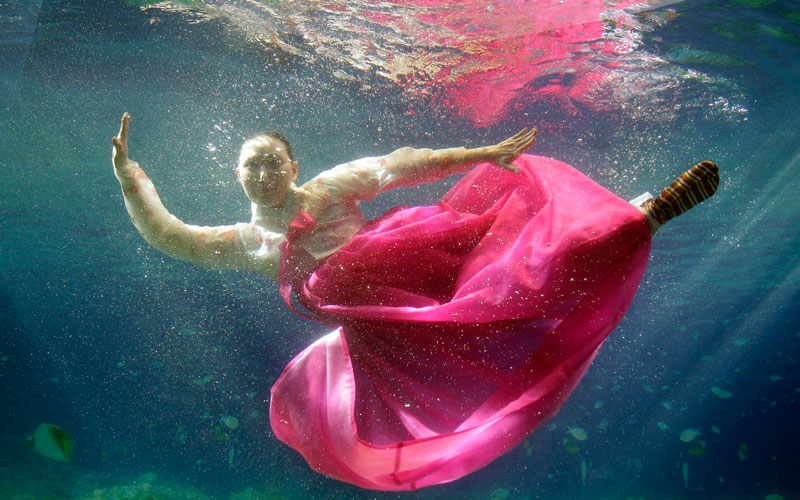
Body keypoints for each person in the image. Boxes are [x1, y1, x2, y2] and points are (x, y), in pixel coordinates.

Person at [112, 113, 718, 491]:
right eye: (251, 163)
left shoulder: (324, 189)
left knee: (514, 272)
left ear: (293, 165)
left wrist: (478, 156)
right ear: (236, 177)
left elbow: (399, 168)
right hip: (383, 325)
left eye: (272, 159)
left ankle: (633, 217)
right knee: (494, 325)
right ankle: (629, 223)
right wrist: (133, 184)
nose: (262, 169)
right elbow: (171, 236)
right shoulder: (246, 241)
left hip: (415, 262)